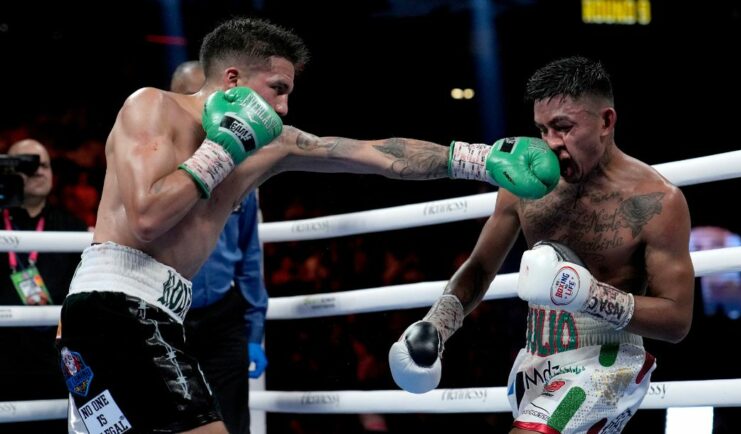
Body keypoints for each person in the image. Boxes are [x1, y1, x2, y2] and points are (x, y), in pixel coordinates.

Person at [56, 16, 561, 433]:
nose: (283, 107)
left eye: (288, 93)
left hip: (158, 310)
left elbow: (375, 155)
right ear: (232, 80)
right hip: (117, 304)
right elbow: (146, 219)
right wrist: (223, 147)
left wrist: (475, 159)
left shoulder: (270, 144)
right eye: (276, 89)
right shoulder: (153, 107)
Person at [389, 56, 695, 434]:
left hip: (608, 361)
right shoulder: (524, 182)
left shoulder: (657, 200)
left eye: (563, 128)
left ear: (606, 122)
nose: (550, 143)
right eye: (542, 129)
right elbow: (482, 267)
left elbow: (677, 320)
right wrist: (437, 324)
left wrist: (589, 295)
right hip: (537, 356)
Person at [170, 59, 269, 434]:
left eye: (206, 99)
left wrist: (255, 332)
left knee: (233, 422)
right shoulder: (156, 166)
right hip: (168, 316)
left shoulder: (241, 170)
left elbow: (249, 257)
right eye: (189, 100)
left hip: (223, 319)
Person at [0, 139, 88, 433]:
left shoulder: (74, 229)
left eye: (46, 165)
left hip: (52, 359)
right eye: (28, 164)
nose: (39, 171)